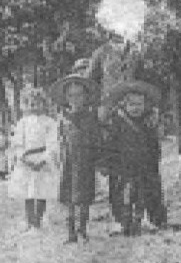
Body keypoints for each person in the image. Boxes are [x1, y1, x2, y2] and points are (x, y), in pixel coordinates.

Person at [103, 81, 166, 236]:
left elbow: (154, 143)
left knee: (146, 191)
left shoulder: (148, 121)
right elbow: (110, 142)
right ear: (124, 104)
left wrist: (154, 157)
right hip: (122, 165)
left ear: (146, 105)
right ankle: (120, 221)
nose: (136, 108)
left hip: (144, 163)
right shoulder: (117, 120)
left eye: (139, 104)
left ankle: (147, 218)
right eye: (131, 104)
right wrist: (108, 161)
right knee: (120, 193)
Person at [51, 73, 103, 244]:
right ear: (66, 98)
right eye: (71, 95)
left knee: (84, 198)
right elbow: (58, 139)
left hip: (86, 161)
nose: (75, 99)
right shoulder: (63, 118)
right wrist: (57, 156)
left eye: (79, 95)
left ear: (86, 96)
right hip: (68, 161)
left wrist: (98, 158)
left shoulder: (91, 117)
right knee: (70, 199)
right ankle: (70, 232)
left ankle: (82, 230)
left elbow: (97, 139)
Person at [10, 87, 61, 233]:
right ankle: (29, 220)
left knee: (41, 191)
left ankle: (38, 220)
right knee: (28, 192)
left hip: (42, 159)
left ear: (44, 104)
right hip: (27, 160)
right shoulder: (23, 123)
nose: (34, 106)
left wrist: (44, 159)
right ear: (26, 105)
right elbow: (18, 142)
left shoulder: (49, 122)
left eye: (38, 103)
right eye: (31, 103)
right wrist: (23, 158)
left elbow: (53, 143)